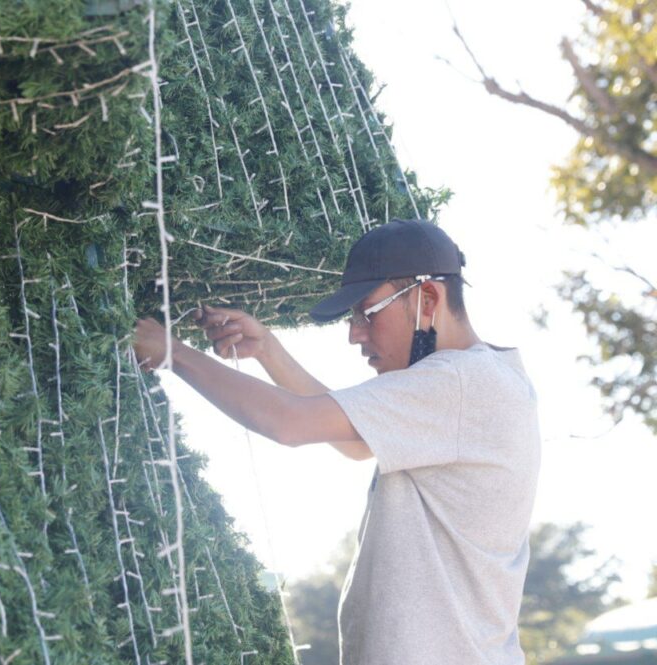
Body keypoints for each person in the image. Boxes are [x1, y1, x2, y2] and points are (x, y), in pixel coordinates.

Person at [133, 219, 541, 665]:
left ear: (427, 300)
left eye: (368, 312)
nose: (355, 334)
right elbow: (357, 443)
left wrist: (171, 352)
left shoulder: (461, 382)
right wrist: (267, 349)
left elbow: (289, 422)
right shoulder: (483, 382)